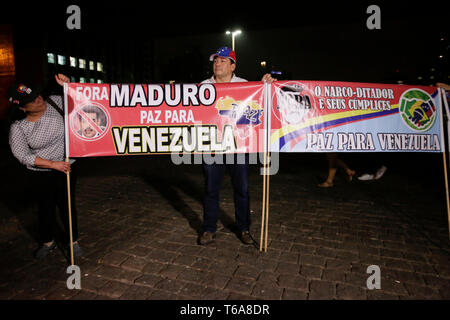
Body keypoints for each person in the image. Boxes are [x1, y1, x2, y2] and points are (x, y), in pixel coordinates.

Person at [198, 46, 276, 245]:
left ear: (233, 66)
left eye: (223, 60)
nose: (217, 64)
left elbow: (264, 98)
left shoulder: (244, 85)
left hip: (238, 147)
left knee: (242, 188)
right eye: (215, 60)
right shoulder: (202, 86)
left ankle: (244, 228)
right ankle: (208, 228)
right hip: (213, 146)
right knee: (210, 189)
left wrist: (267, 84)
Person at [7, 74, 83, 259]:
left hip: (65, 166)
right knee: (45, 207)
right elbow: (22, 155)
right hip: (39, 172)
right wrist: (51, 164)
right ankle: (48, 241)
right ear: (22, 107)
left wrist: (69, 86)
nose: (38, 99)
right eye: (31, 100)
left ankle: (73, 241)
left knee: (67, 205)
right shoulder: (19, 127)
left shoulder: (56, 102)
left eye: (37, 94)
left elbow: (82, 104)